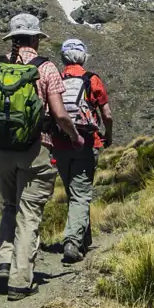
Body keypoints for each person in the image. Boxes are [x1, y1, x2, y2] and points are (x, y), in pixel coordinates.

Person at [0, 14, 84, 301]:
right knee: (29, 213)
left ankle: (3, 264)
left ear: (11, 40)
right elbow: (60, 114)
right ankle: (21, 280)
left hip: (0, 152)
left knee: (10, 205)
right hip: (36, 150)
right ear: (36, 39)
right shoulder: (47, 69)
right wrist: (75, 137)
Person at [50, 38, 113, 264]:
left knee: (74, 193)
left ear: (64, 57)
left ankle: (82, 240)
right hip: (87, 143)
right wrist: (109, 135)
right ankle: (72, 243)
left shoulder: (54, 78)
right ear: (83, 56)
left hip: (60, 145)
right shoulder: (92, 80)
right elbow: (107, 115)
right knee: (81, 194)